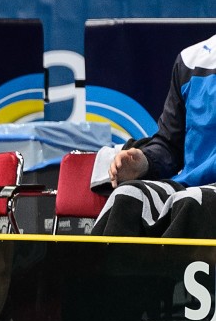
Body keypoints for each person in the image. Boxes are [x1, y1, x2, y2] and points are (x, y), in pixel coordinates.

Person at [92, 32, 216, 239]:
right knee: (128, 196)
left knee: (191, 203)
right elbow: (169, 144)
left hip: (199, 197)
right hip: (189, 185)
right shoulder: (191, 60)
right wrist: (144, 162)